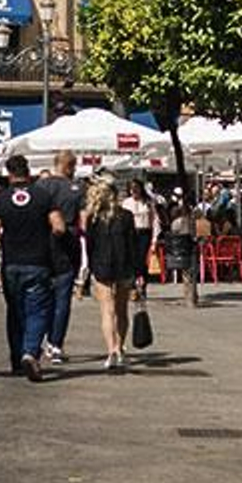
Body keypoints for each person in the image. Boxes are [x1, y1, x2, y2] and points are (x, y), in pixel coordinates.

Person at [0, 155, 63, 382]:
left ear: (9, 173)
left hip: (11, 263)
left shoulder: (0, 199)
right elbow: (58, 226)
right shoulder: (43, 196)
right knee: (37, 311)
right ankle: (30, 352)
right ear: (28, 171)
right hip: (38, 262)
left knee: (15, 312)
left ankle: (16, 359)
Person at [83, 177, 138, 371]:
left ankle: (111, 350)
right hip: (123, 266)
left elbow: (89, 245)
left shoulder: (94, 218)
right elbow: (133, 246)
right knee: (121, 310)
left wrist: (90, 267)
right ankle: (121, 349)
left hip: (101, 266)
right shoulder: (127, 216)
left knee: (106, 311)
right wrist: (138, 271)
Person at [41, 150, 83, 364]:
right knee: (62, 298)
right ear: (70, 166)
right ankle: (55, 343)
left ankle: (40, 339)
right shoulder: (76, 189)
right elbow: (83, 220)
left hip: (43, 245)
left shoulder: (41, 187)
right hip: (68, 243)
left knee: (43, 296)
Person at [122, 179, 159, 301]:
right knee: (132, 260)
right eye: (131, 189)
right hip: (131, 232)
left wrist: (154, 239)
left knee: (143, 261)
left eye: (136, 188)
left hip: (144, 232)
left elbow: (155, 220)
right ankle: (133, 287)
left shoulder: (148, 202)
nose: (134, 191)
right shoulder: (126, 203)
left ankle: (142, 287)